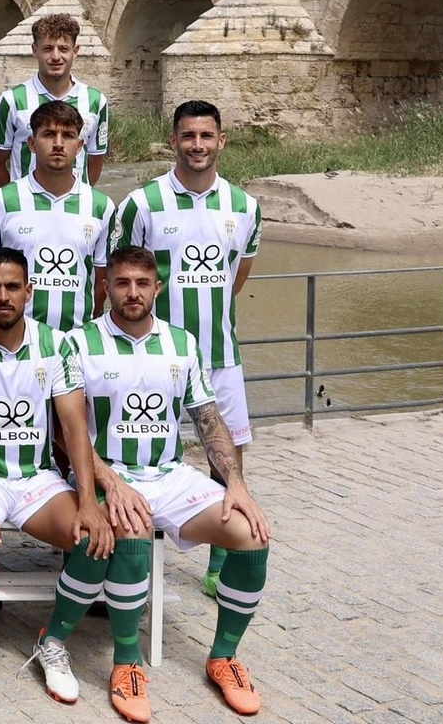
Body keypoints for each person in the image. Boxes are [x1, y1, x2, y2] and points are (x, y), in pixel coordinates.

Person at [65, 247, 272, 721]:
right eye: (122, 283)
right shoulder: (78, 343)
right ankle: (126, 663)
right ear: (106, 287)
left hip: (170, 474)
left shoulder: (182, 342)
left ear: (158, 288)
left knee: (251, 533)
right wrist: (108, 481)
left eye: (142, 283)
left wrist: (235, 483)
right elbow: (68, 429)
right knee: (134, 531)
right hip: (107, 473)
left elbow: (207, 418)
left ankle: (224, 657)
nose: (132, 292)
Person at [0, 247, 114, 708]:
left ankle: (53, 643)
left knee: (95, 536)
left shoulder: (55, 344)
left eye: (12, 286)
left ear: (29, 291)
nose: (2, 296)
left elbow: (74, 425)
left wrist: (90, 497)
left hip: (37, 478)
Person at [111, 100, 262, 599]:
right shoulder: (142, 203)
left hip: (218, 355)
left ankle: (220, 559)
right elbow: (122, 275)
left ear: (222, 141)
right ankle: (119, 545)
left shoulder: (245, 206)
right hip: (149, 357)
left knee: (227, 453)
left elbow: (237, 277)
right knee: (133, 445)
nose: (197, 145)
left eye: (207, 136)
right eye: (188, 136)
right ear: (172, 141)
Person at [0, 101, 114, 333]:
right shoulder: (0, 202)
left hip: (76, 340)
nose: (59, 144)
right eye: (49, 134)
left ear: (80, 145)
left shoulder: (101, 206)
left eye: (68, 136)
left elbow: (101, 282)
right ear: (31, 143)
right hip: (14, 341)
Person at [0, 13, 110, 187]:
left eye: (63, 49)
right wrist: (15, 200)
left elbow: (95, 162)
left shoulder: (96, 101)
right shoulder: (12, 100)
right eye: (48, 48)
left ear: (75, 51)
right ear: (35, 50)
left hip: (75, 209)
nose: (56, 56)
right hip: (26, 209)